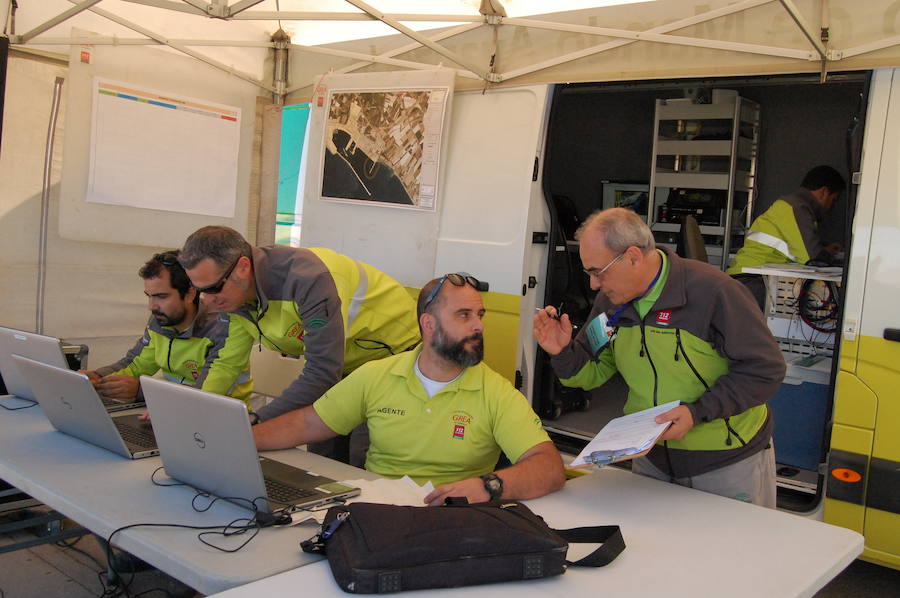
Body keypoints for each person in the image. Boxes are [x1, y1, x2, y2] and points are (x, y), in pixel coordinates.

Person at [534, 208, 785, 507]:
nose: (593, 285)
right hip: (650, 461)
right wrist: (561, 351)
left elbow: (765, 370)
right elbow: (591, 373)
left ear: (632, 257)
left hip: (726, 462)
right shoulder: (610, 304)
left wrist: (696, 412)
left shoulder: (714, 293)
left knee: (728, 552)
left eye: (597, 272)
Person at [253, 273, 566, 506]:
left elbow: (549, 466)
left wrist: (488, 487)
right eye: (464, 315)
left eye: (480, 315)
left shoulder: (496, 392)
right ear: (428, 325)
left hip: (453, 519)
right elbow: (308, 422)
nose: (479, 326)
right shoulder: (377, 375)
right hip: (378, 511)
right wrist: (244, 441)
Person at [179, 226, 421, 466]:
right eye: (199, 291)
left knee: (361, 456)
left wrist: (254, 419)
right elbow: (226, 363)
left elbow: (321, 372)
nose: (207, 300)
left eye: (213, 289)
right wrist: (193, 411)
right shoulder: (236, 295)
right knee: (322, 460)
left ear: (243, 267)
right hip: (345, 364)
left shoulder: (310, 280)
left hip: (395, 358)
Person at [81, 250, 253, 405]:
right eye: (149, 296)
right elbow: (136, 363)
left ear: (190, 293)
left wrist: (142, 392)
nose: (152, 306)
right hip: (173, 409)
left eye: (161, 296)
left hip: (219, 418)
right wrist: (97, 377)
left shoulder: (224, 327)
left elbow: (206, 395)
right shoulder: (161, 320)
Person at [727, 165, 846, 308]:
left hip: (750, 277)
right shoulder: (797, 208)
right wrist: (827, 255)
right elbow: (813, 258)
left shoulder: (791, 206)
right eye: (834, 200)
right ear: (823, 192)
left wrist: (825, 249)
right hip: (750, 281)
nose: (832, 206)